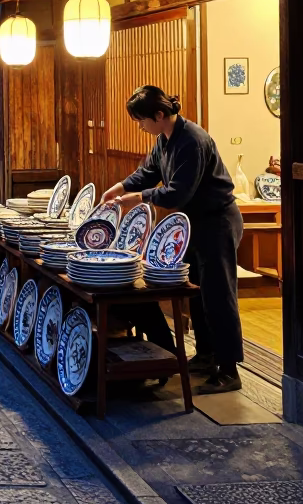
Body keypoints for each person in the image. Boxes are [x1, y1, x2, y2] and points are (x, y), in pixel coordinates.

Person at [102, 85, 245, 394]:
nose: (140, 126)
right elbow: (148, 172)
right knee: (195, 290)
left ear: (159, 114)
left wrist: (139, 197)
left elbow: (179, 192)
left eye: (141, 120)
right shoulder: (163, 139)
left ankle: (229, 369)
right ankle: (207, 355)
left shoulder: (192, 140)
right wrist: (119, 187)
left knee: (219, 295)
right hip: (194, 222)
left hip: (218, 221)